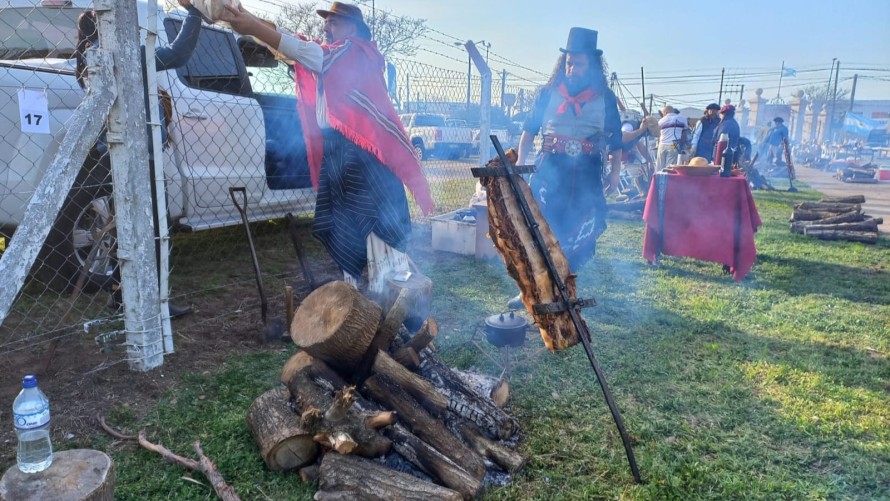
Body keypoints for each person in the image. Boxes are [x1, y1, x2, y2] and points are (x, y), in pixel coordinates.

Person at [218, 2, 433, 297]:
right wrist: (247, 19)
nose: (325, 27)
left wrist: (252, 26)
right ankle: (353, 294)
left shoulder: (357, 51)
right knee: (342, 220)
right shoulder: (337, 53)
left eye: (333, 22)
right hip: (338, 151)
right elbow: (296, 45)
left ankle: (391, 298)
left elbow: (308, 53)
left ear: (352, 26)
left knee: (377, 226)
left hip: (364, 155)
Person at [75, 0, 203, 319]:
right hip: (136, 154)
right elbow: (178, 54)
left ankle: (122, 301)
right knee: (153, 229)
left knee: (126, 230)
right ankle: (154, 304)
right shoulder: (121, 53)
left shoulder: (95, 53)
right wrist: (196, 13)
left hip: (118, 154)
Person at [510, 27, 623, 308]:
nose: (572, 68)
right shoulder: (548, 93)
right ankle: (534, 290)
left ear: (592, 65)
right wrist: (522, 162)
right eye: (569, 62)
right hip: (551, 170)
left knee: (579, 227)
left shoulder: (605, 98)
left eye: (579, 63)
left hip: (586, 171)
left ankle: (563, 288)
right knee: (542, 227)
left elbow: (616, 140)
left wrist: (615, 171)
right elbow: (529, 130)